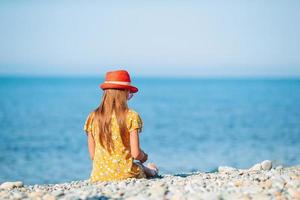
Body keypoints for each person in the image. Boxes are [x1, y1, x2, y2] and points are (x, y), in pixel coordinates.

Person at [83, 69, 159, 183]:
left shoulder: (92, 117)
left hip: (99, 175)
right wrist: (144, 157)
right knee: (142, 167)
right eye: (129, 93)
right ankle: (153, 170)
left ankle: (150, 169)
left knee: (138, 166)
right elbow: (136, 153)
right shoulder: (131, 116)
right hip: (125, 174)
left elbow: (93, 156)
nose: (130, 96)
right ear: (123, 93)